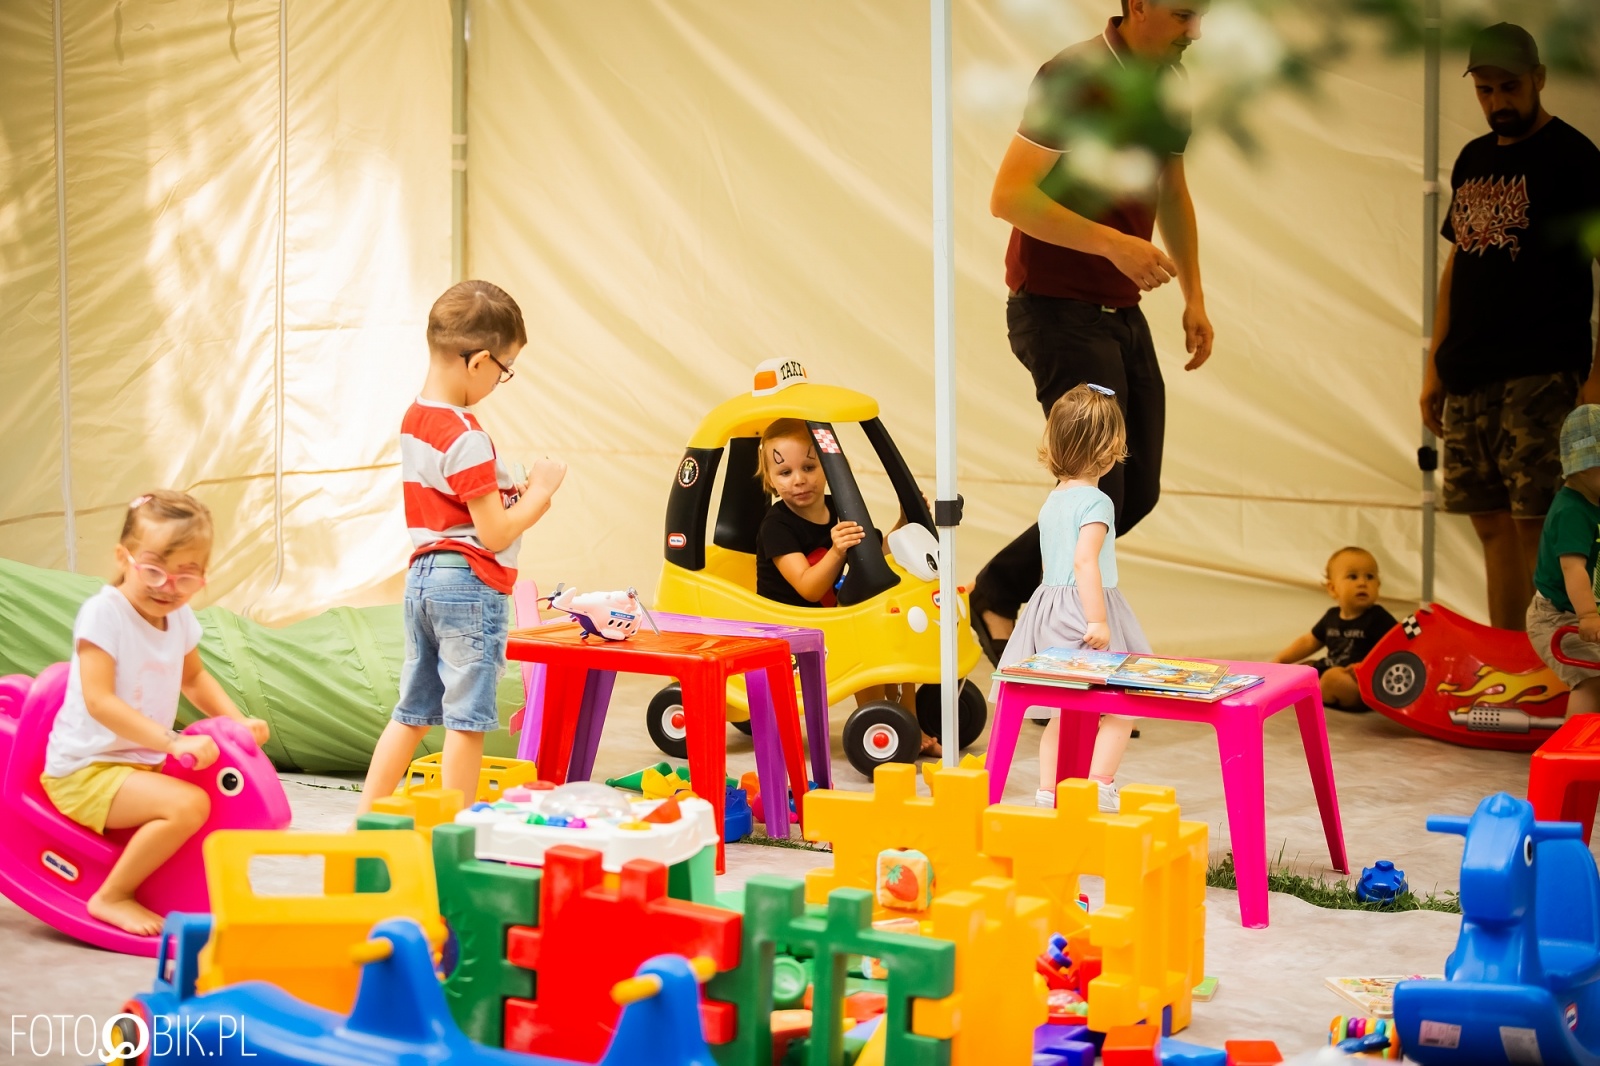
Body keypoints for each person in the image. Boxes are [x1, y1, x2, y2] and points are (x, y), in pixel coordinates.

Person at [973, 0, 1216, 665]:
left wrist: (1195, 296)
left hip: (1119, 311)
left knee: (1135, 492)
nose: (1195, 31)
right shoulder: (1074, 78)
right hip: (1055, 310)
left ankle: (998, 586)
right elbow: (1009, 197)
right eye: (1182, 13)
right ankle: (1061, 644)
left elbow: (1172, 192)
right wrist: (1115, 244)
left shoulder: (1169, 84)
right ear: (1136, 5)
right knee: (1094, 494)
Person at [358, 280, 567, 814]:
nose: (503, 379)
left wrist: (504, 494)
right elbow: (494, 534)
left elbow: (451, 503)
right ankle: (456, 830)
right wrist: (540, 491)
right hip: (468, 586)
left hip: (423, 580)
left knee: (411, 713)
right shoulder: (467, 435)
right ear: (477, 362)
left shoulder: (416, 419)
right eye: (505, 367)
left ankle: (367, 816)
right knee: (467, 721)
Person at [1419, 22, 1600, 631]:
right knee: (1489, 522)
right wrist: (1433, 365)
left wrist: (1596, 378)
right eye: (1486, 90)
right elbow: (1457, 263)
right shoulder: (1472, 158)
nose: (1498, 102)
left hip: (1541, 372)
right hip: (1468, 374)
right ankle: (1510, 660)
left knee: (1540, 524)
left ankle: (1553, 669)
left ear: (1539, 79)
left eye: (1510, 87)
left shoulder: (1576, 159)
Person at [41, 491, 272, 936]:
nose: (168, 587)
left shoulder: (180, 618)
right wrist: (172, 741)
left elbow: (194, 679)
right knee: (189, 804)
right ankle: (112, 896)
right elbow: (99, 701)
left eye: (186, 577)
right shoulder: (104, 613)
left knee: (216, 787)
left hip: (138, 763)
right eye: (153, 570)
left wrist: (234, 720)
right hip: (84, 771)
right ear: (123, 557)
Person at [993, 384, 1148, 812]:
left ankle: (1047, 791)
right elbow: (1084, 562)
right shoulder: (1097, 502)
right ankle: (1099, 783)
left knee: (1066, 710)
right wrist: (1097, 620)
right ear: (1112, 447)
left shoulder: (1054, 500)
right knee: (1124, 702)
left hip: (1049, 607)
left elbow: (1054, 564)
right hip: (1085, 608)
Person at [753, 418, 941, 756]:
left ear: (827, 467)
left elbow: (873, 555)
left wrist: (904, 520)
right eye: (785, 473)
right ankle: (878, 721)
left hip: (832, 618)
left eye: (809, 466)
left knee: (894, 629)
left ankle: (909, 722)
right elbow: (808, 588)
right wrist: (838, 550)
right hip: (789, 625)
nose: (799, 480)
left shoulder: (838, 508)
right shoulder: (776, 526)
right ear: (770, 479)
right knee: (867, 643)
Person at [1527, 406, 1600, 715]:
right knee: (1592, 679)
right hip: (1558, 617)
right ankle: (1574, 750)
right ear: (1584, 469)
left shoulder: (1594, 496)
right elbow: (1574, 570)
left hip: (1584, 610)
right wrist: (1588, 616)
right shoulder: (1571, 511)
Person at [1273, 547, 1398, 712]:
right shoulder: (1331, 616)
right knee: (1303, 669)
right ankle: (1305, 690)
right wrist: (1281, 661)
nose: (1362, 582)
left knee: (1334, 678)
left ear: (1378, 586)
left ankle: (1310, 692)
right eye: (1352, 577)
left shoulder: (1378, 617)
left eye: (1370, 577)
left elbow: (1397, 649)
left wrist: (1366, 667)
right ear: (1333, 588)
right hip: (1332, 668)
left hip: (1359, 682)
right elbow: (1308, 641)